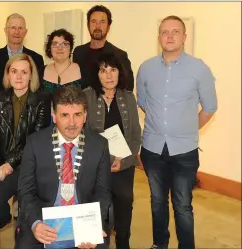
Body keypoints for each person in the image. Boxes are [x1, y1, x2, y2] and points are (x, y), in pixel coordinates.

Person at [137, 15, 218, 249]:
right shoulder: (146, 68)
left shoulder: (199, 68)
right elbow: (143, 102)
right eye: (164, 32)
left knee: (182, 204)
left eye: (175, 32)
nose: (169, 36)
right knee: (156, 201)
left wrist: (188, 129)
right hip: (152, 148)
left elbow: (210, 107)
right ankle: (159, 244)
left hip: (185, 150)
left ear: (184, 37)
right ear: (159, 37)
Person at [16, 86, 111, 249]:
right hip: (44, 219)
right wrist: (36, 223)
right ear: (54, 116)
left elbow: (103, 192)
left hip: (83, 219)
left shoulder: (99, 145)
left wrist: (92, 225)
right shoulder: (35, 143)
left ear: (85, 115)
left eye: (78, 115)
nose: (72, 123)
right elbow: (25, 191)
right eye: (65, 115)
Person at [0, 53, 51, 249]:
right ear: (8, 75)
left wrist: (9, 164)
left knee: (5, 207)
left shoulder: (41, 100)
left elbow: (34, 140)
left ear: (31, 76)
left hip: (28, 163)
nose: (19, 77)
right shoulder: (1, 98)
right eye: (14, 72)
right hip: (3, 163)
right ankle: (1, 221)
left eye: (24, 72)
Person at [83, 53, 141, 249]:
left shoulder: (128, 97)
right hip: (96, 164)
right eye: (103, 70)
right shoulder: (87, 96)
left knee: (124, 202)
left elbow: (135, 135)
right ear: (96, 74)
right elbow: (84, 134)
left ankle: (124, 242)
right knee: (99, 211)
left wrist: (123, 161)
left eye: (113, 70)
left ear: (119, 72)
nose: (109, 75)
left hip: (123, 163)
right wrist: (106, 159)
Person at [73, 5, 134, 91]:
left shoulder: (119, 55)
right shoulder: (78, 52)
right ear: (88, 25)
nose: (97, 26)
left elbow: (127, 88)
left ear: (108, 27)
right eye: (93, 21)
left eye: (102, 22)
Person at [0, 13, 44, 92]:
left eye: (20, 28)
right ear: (6, 30)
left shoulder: (36, 59)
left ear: (25, 32)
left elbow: (38, 88)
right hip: (0, 103)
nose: (17, 32)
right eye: (13, 28)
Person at [39, 28, 82, 95]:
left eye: (65, 44)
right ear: (49, 48)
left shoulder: (82, 71)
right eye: (55, 44)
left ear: (70, 48)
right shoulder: (41, 71)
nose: (59, 48)